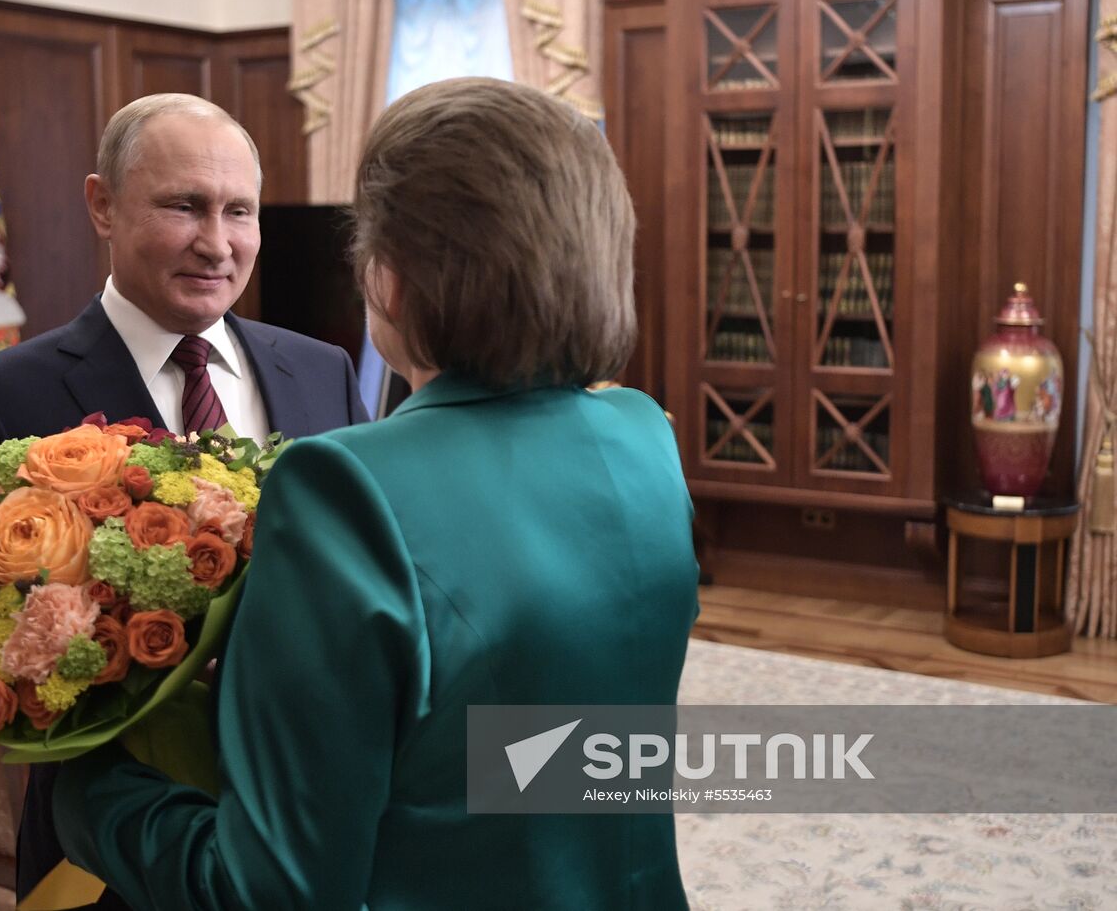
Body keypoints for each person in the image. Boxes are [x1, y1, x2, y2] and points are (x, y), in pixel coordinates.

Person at [53, 77, 698, 909]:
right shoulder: (646, 437)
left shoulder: (344, 488)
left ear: (389, 277)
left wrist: (87, 788)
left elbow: (268, 889)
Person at [0, 93, 368, 908]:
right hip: (105, 860)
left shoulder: (324, 370)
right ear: (102, 206)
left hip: (309, 829)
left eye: (239, 211)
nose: (217, 242)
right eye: (184, 205)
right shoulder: (0, 397)